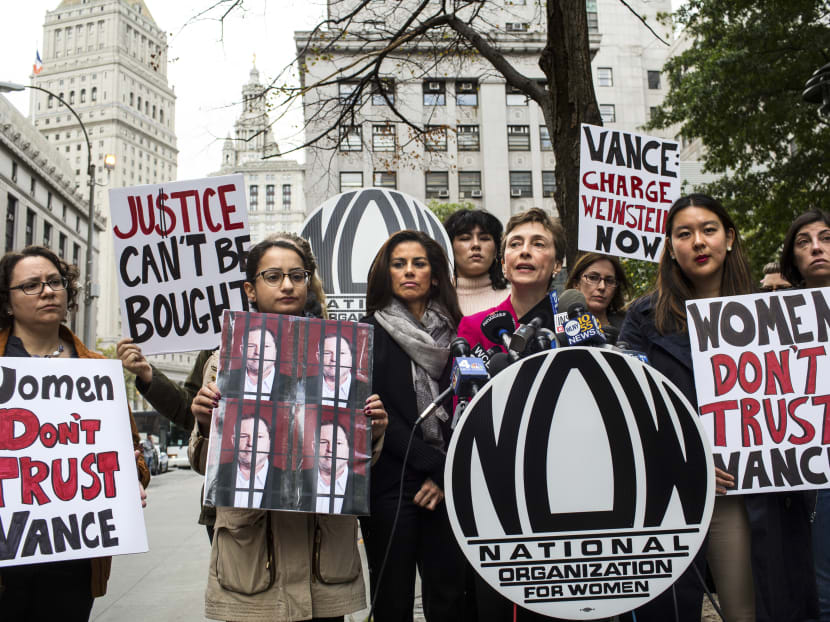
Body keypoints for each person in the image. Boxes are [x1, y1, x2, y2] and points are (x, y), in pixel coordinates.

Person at [619, 194, 817, 622]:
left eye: (708, 230)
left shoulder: (773, 310)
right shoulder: (642, 318)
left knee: (749, 609)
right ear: (671, 247)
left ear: (729, 237)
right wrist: (691, 458)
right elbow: (632, 408)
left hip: (744, 493)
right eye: (684, 234)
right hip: (675, 491)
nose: (698, 242)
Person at [188, 232, 388, 622]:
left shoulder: (342, 352)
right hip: (253, 566)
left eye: (297, 275)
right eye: (273, 276)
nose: (287, 285)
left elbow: (355, 463)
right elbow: (202, 465)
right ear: (250, 288)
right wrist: (205, 423)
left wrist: (373, 429)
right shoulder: (223, 359)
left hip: (322, 564)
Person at [0, 246, 150, 621]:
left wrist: (131, 474)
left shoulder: (96, 369)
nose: (48, 291)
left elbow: (135, 458)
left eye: (55, 282)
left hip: (73, 564)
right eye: (31, 285)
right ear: (7, 302)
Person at [360, 229, 467, 622]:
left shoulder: (461, 333)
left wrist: (443, 476)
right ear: (385, 274)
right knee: (392, 601)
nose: (408, 271)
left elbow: (468, 408)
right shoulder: (366, 331)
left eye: (418, 263)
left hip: (446, 487)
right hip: (389, 484)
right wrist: (435, 464)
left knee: (449, 597)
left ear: (434, 275)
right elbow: (374, 415)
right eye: (398, 263)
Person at [780, 208, 830, 621]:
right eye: (804, 241)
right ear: (792, 259)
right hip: (811, 471)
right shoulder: (771, 319)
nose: (816, 247)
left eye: (826, 238)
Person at [457, 207, 565, 353]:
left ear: (557, 265)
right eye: (515, 244)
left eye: (538, 244)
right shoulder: (475, 327)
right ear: (504, 265)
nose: (524, 251)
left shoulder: (571, 327)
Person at [444, 209, 509, 315]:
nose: (476, 245)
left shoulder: (514, 300)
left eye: (484, 238)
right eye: (465, 238)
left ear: (496, 250)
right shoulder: (435, 303)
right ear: (449, 247)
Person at [212, 414, 280, 508]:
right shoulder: (215, 474)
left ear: (270, 441)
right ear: (233, 441)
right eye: (243, 436)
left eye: (259, 436)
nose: (251, 443)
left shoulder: (287, 480)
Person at [563, 252, 629, 331]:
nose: (602, 287)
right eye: (593, 278)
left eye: (609, 281)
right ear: (576, 284)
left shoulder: (628, 327)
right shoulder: (559, 327)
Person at [312, 421, 368, 514]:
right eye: (323, 442)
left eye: (338, 443)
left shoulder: (363, 485)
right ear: (314, 447)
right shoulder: (297, 480)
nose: (330, 449)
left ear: (349, 449)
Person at [305, 334, 371, 408]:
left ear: (351, 357)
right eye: (327, 353)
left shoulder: (368, 391)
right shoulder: (301, 385)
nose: (334, 359)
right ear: (318, 357)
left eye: (341, 353)